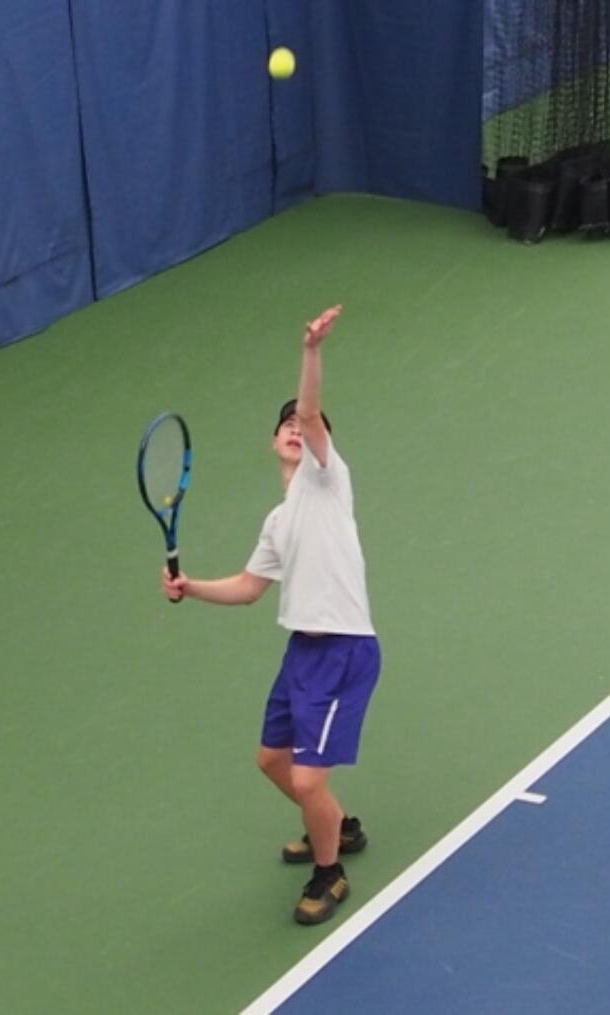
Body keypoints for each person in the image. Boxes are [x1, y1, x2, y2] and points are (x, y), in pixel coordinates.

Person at [160, 304, 381, 926]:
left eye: (301, 424)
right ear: (270, 442)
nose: (293, 425)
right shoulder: (279, 520)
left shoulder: (327, 479)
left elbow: (311, 412)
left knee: (308, 782)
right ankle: (338, 827)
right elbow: (250, 587)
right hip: (301, 655)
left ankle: (329, 870)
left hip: (344, 652)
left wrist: (312, 350)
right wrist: (190, 586)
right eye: (282, 423)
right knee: (272, 762)